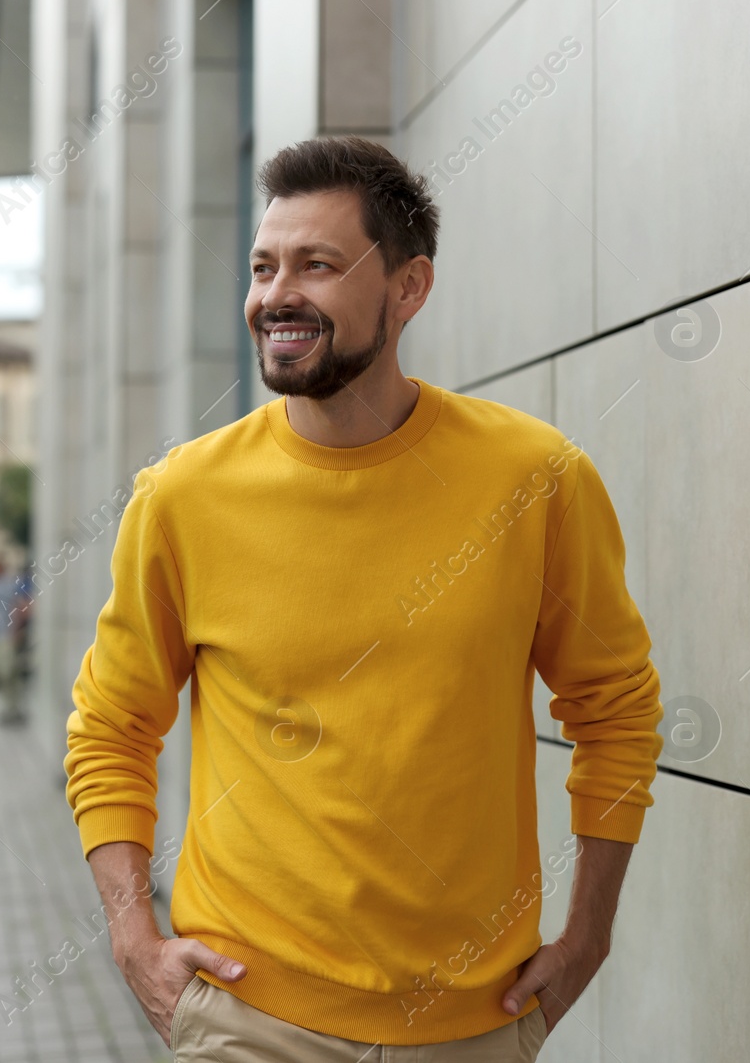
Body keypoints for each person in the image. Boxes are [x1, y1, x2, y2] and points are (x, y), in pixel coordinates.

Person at [63, 136, 663, 1062]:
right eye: (264, 267)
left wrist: (589, 934)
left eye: (318, 264)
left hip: (473, 1023)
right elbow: (111, 723)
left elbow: (616, 707)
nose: (275, 295)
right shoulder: (182, 496)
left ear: (409, 288)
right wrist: (132, 935)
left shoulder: (536, 480)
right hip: (245, 1016)